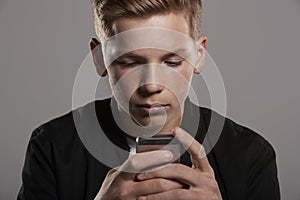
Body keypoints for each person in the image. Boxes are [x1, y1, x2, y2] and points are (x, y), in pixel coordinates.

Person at [17, 0, 280, 199]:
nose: (152, 85)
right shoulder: (51, 146)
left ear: (199, 56)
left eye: (172, 62)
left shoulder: (251, 155)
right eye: (129, 62)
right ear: (100, 59)